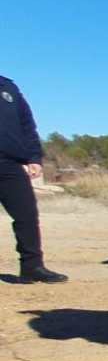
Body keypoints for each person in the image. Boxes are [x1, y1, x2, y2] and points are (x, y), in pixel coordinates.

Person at [0, 75, 66, 283]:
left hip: (9, 163)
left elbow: (27, 125)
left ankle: (32, 267)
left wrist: (34, 157)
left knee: (27, 215)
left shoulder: (8, 87)